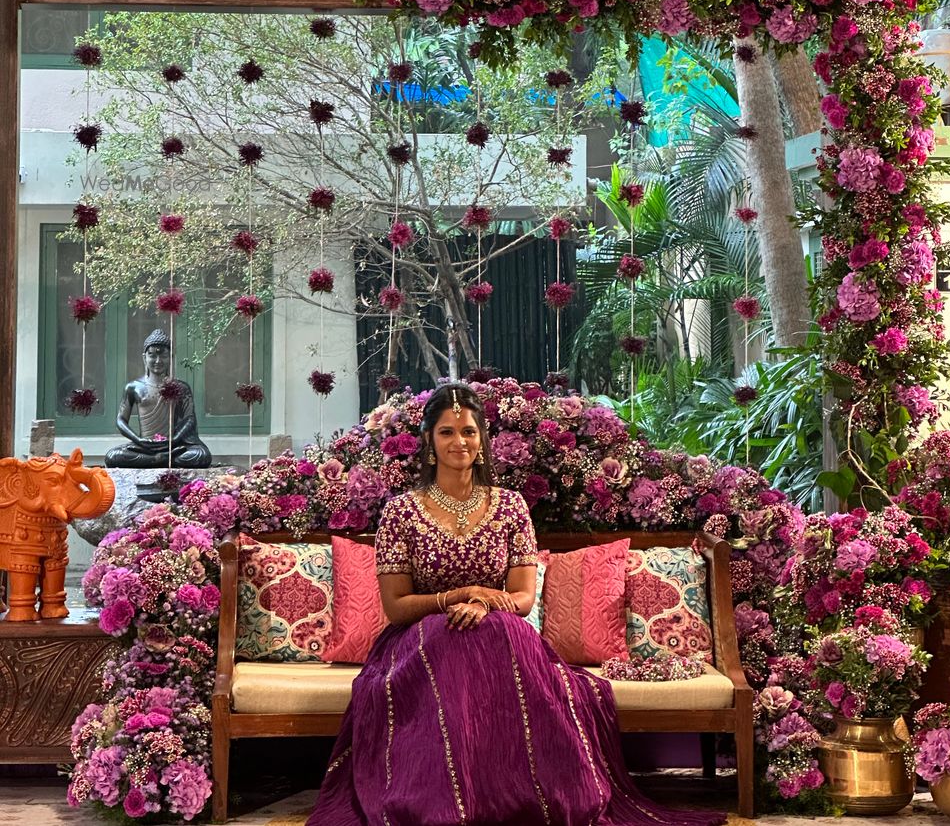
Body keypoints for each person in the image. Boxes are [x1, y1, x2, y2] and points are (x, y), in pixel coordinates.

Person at [307, 383, 726, 826]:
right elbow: (396, 607)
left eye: (468, 432)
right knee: (448, 642)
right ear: (429, 441)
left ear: (482, 440)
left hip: (500, 630)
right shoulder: (402, 511)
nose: (459, 443)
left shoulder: (510, 506)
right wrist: (458, 597)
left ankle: (512, 799)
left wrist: (487, 604)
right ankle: (445, 802)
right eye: (447, 433)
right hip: (417, 641)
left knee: (496, 633)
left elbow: (523, 600)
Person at [105, 329, 211, 468]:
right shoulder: (133, 387)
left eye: (164, 356)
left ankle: (158, 459)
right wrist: (138, 439)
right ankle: (160, 459)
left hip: (174, 445)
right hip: (145, 446)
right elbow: (120, 420)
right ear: (144, 358)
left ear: (171, 358)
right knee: (113, 456)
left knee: (201, 456)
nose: (158, 361)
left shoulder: (181, 387)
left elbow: (189, 418)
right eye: (152, 356)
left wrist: (175, 439)